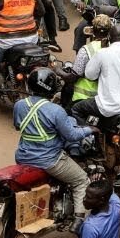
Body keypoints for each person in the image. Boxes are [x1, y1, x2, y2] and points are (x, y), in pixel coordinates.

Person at [14, 68, 94, 217]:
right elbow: (71, 136)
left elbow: (18, 126)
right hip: (49, 160)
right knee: (81, 180)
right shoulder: (56, 111)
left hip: (23, 157)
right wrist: (90, 129)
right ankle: (78, 221)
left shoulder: (19, 105)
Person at [74, 22, 120, 126]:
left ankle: (90, 136)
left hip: (106, 107)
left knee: (76, 109)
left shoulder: (102, 53)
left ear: (109, 37)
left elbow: (90, 75)